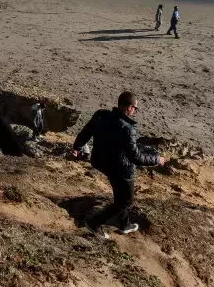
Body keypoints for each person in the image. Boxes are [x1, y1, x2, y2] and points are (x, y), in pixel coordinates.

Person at [71, 91, 165, 238]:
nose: (135, 111)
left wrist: (77, 146)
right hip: (121, 170)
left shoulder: (101, 116)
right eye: (135, 107)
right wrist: (156, 160)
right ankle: (94, 224)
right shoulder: (127, 128)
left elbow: (86, 131)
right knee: (126, 202)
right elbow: (135, 157)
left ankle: (125, 225)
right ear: (129, 107)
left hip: (101, 162)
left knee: (120, 195)